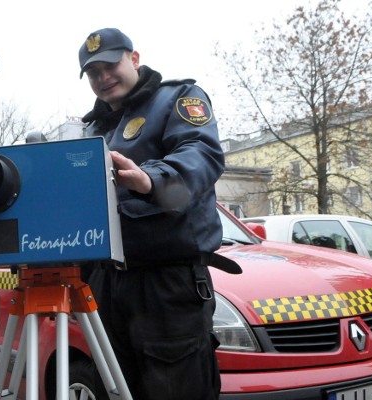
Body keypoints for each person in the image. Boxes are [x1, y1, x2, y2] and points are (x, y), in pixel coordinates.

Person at [77, 28, 235, 399]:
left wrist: (151, 179)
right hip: (107, 284)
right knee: (116, 388)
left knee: (174, 388)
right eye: (92, 72)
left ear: (134, 58)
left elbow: (201, 153)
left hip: (166, 282)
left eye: (110, 65)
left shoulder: (178, 98)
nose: (103, 77)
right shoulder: (91, 128)